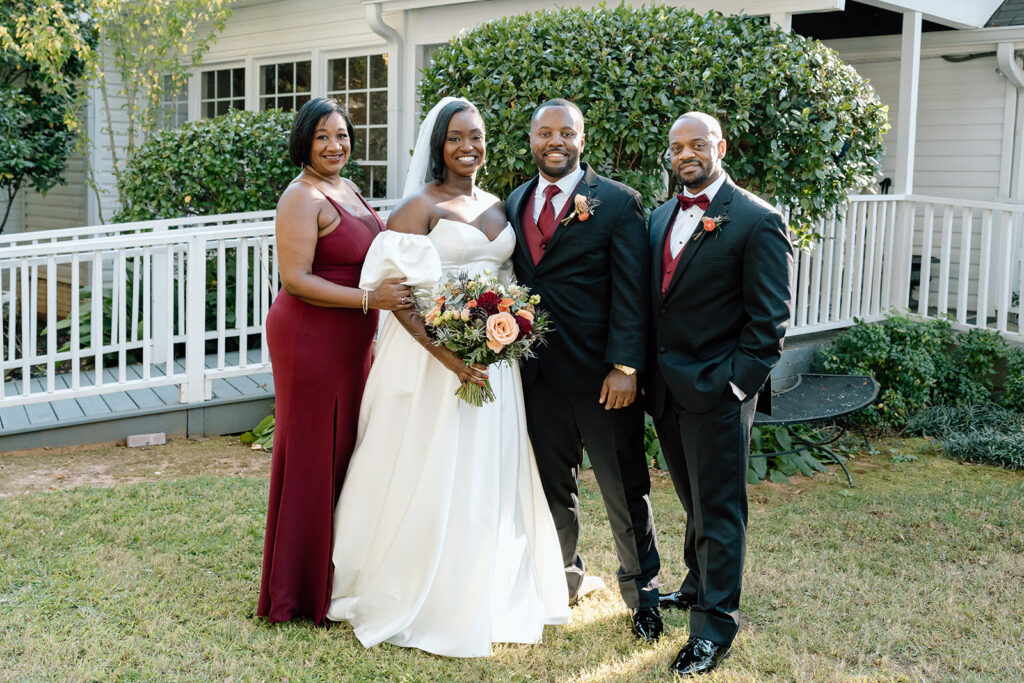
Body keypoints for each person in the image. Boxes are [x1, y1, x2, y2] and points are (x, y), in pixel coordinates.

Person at [325, 97, 570, 657]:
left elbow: (509, 279)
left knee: (489, 468)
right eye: (456, 137)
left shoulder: (500, 204)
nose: (469, 147)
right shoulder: (418, 208)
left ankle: (484, 580)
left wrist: (504, 331)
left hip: (495, 362)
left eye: (477, 137)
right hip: (433, 363)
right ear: (438, 146)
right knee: (428, 464)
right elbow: (398, 298)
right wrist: (450, 358)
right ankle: (421, 588)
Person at [506, 99, 663, 642]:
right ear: (531, 140)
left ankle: (642, 592)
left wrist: (625, 366)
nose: (556, 141)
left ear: (582, 139)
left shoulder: (618, 203)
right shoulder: (515, 201)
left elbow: (632, 292)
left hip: (603, 378)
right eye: (544, 132)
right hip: (537, 377)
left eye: (566, 132)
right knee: (553, 487)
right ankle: (562, 578)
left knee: (624, 485)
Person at [646, 112, 793, 676]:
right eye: (677, 146)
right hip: (668, 390)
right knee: (693, 499)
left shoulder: (757, 220)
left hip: (719, 392)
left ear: (720, 147)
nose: (687, 153)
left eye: (698, 144)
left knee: (720, 509)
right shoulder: (661, 217)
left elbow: (769, 323)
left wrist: (733, 386)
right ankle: (695, 584)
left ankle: (713, 629)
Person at [257, 97, 413, 625]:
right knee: (310, 456)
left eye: (342, 135)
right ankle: (296, 593)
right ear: (305, 141)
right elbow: (296, 279)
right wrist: (372, 301)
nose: (334, 145)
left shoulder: (345, 188)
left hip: (349, 339)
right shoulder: (300, 197)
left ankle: (337, 575)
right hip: (309, 338)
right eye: (322, 136)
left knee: (345, 449)